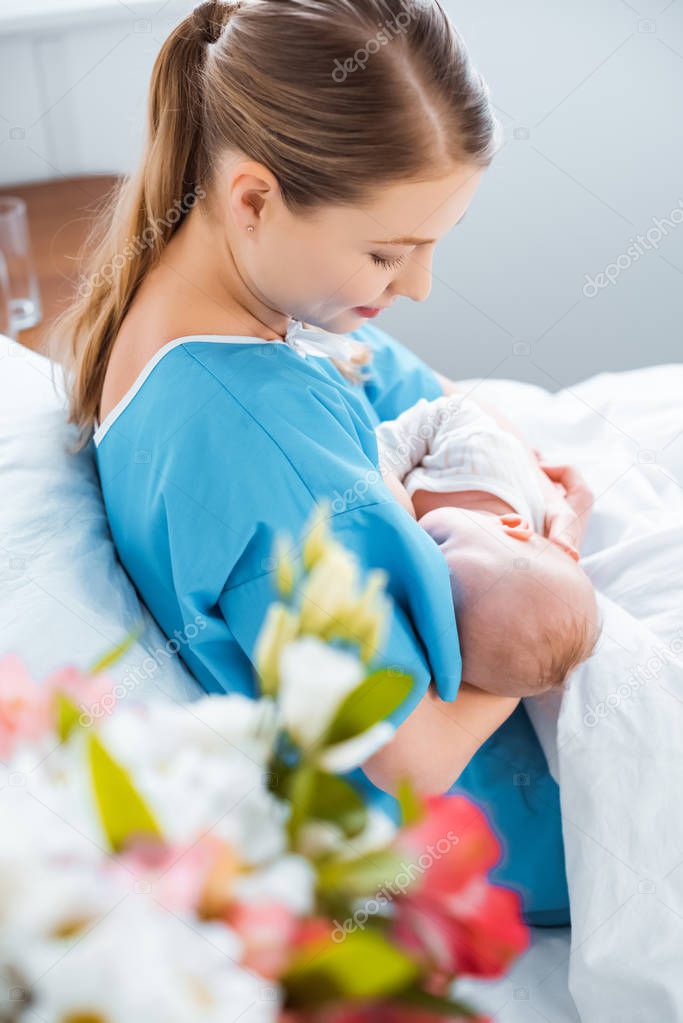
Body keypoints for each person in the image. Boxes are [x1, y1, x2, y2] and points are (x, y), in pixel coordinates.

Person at [53, 0, 591, 925]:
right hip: (511, 830)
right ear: (253, 198)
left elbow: (413, 390)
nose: (417, 285)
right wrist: (550, 597)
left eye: (432, 244)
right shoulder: (259, 438)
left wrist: (499, 473)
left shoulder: (194, 317)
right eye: (387, 253)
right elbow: (412, 756)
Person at [375, 393, 601, 697]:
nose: (422, 560)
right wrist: (384, 464)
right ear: (511, 526)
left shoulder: (498, 582)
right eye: (441, 542)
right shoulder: (482, 459)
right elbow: (446, 412)